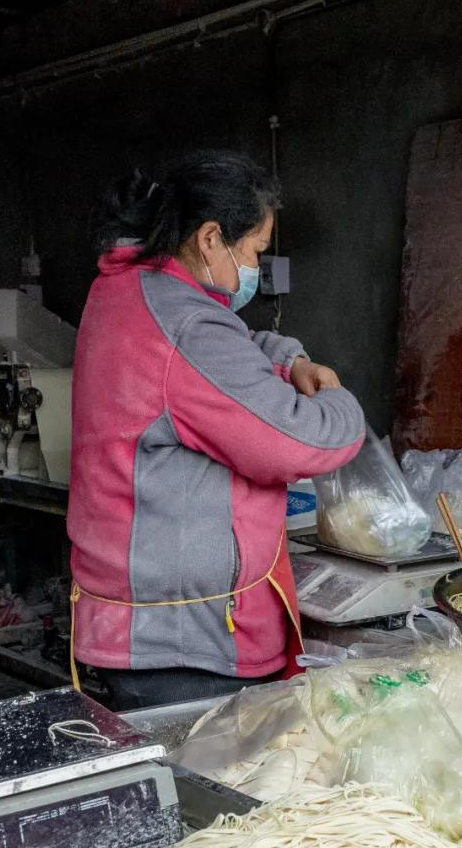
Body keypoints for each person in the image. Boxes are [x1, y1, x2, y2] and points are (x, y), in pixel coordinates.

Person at [68, 152, 365, 710]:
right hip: (184, 643)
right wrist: (339, 400)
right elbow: (299, 441)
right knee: (216, 791)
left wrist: (288, 359)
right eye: (254, 250)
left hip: (136, 624)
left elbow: (224, 356)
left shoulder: (130, 291)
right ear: (210, 238)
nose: (255, 267)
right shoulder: (185, 321)